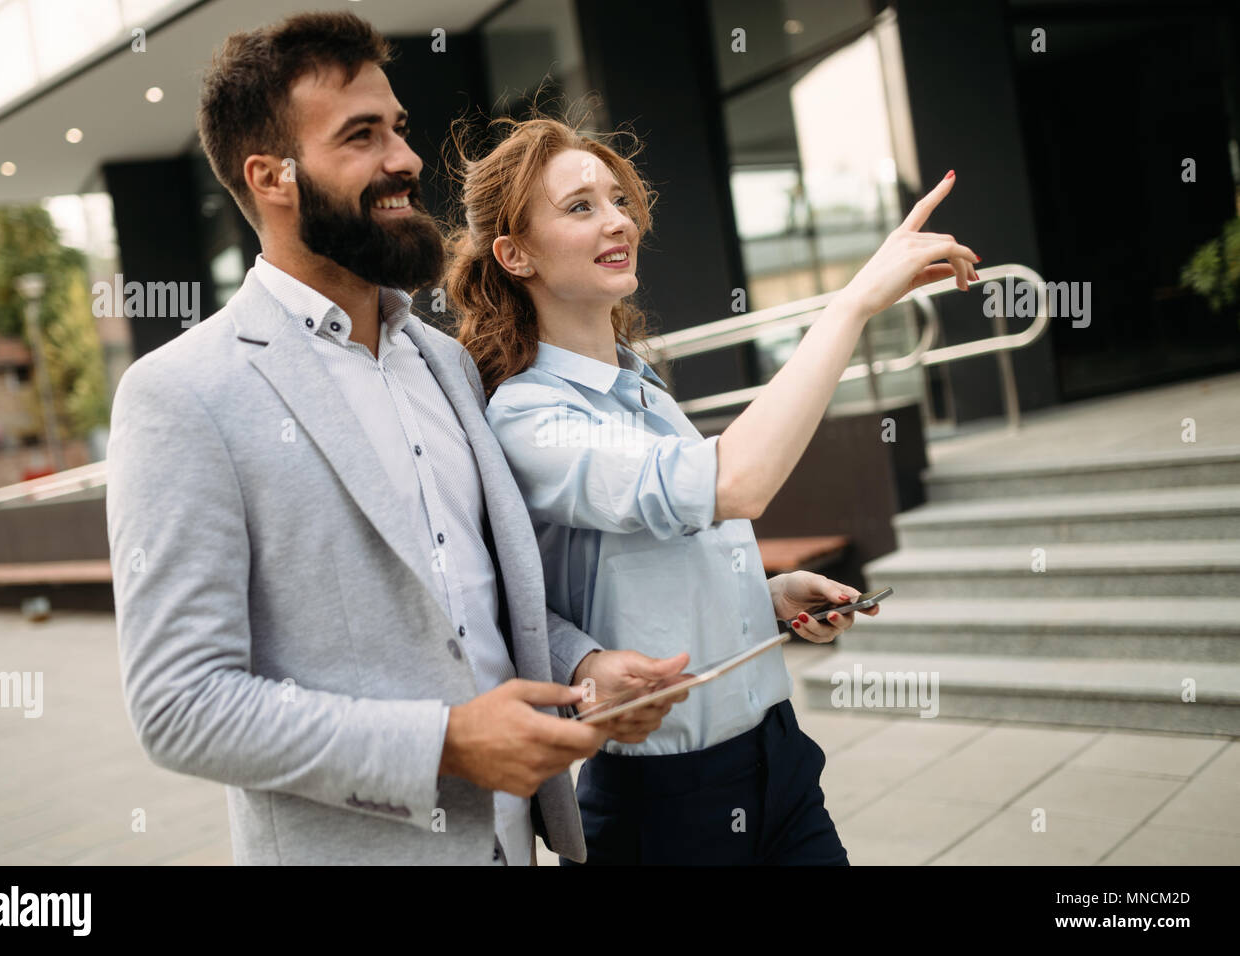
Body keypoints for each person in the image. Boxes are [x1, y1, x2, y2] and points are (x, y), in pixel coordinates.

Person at [106, 12, 686, 867]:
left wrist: (584, 666)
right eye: (361, 136)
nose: (406, 160)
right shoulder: (180, 394)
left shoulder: (446, 363)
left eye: (400, 129)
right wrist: (446, 744)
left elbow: (474, 606)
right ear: (272, 175)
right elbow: (181, 708)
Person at [447, 114, 978, 865]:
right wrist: (852, 303)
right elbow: (736, 482)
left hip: (781, 761)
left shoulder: (641, 385)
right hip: (668, 806)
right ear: (515, 254)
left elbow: (643, 578)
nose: (617, 220)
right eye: (580, 207)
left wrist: (763, 599)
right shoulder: (529, 416)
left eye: (616, 199)